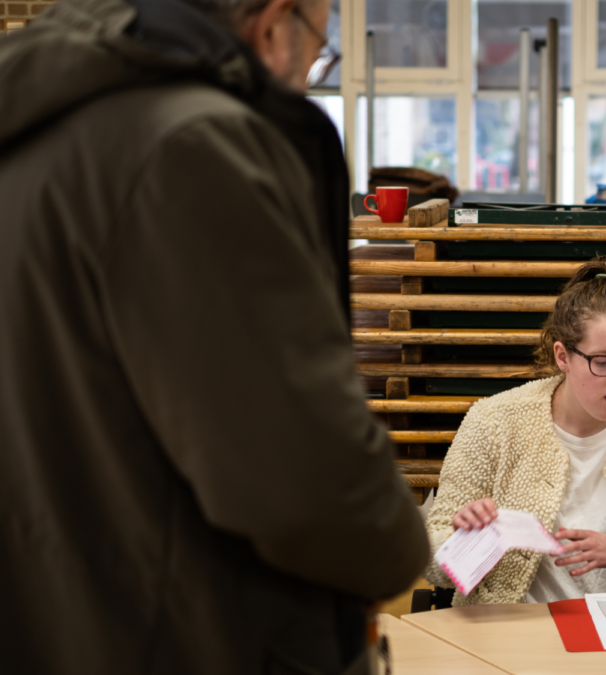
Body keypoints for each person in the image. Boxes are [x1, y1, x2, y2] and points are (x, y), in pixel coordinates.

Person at [0, 0, 429, 673]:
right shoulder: (193, 147)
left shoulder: (36, 124)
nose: (312, 71)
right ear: (271, 28)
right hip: (182, 636)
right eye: (320, 48)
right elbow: (304, 485)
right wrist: (400, 549)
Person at [424, 259, 606, 605]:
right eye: (603, 361)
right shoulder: (494, 421)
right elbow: (430, 562)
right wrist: (467, 539)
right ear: (562, 356)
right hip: (512, 638)